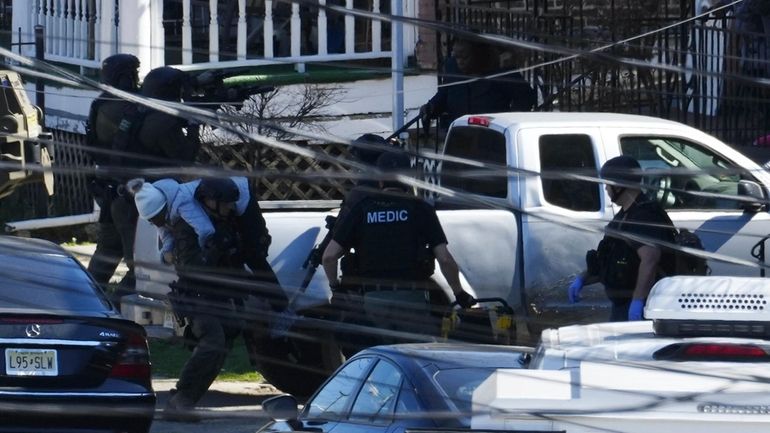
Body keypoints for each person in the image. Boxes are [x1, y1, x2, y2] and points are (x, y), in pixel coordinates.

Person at [321, 151, 476, 348]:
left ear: (379, 180)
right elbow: (444, 259)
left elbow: (329, 257)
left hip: (373, 302)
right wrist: (459, 293)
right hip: (412, 301)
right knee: (418, 360)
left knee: (379, 362)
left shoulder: (361, 208)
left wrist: (336, 288)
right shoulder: (420, 208)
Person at [567, 156, 675, 321]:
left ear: (619, 185)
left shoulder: (644, 215)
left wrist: (638, 302)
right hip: (622, 305)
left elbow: (650, 260)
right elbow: (611, 260)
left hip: (642, 306)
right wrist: (582, 279)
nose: (606, 189)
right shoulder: (624, 215)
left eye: (608, 184)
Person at [84, 54, 141, 303]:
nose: (137, 79)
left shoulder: (100, 103)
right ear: (124, 77)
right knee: (138, 262)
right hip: (129, 194)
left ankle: (83, 302)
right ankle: (117, 307)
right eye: (134, 74)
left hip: (107, 188)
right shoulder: (129, 108)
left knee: (106, 251)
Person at [420, 38, 536, 131]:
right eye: (456, 57)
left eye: (465, 57)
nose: (460, 61)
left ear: (477, 55)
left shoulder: (501, 71)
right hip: (459, 134)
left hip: (491, 135)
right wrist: (431, 107)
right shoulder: (452, 67)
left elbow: (525, 96)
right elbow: (444, 94)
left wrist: (510, 121)